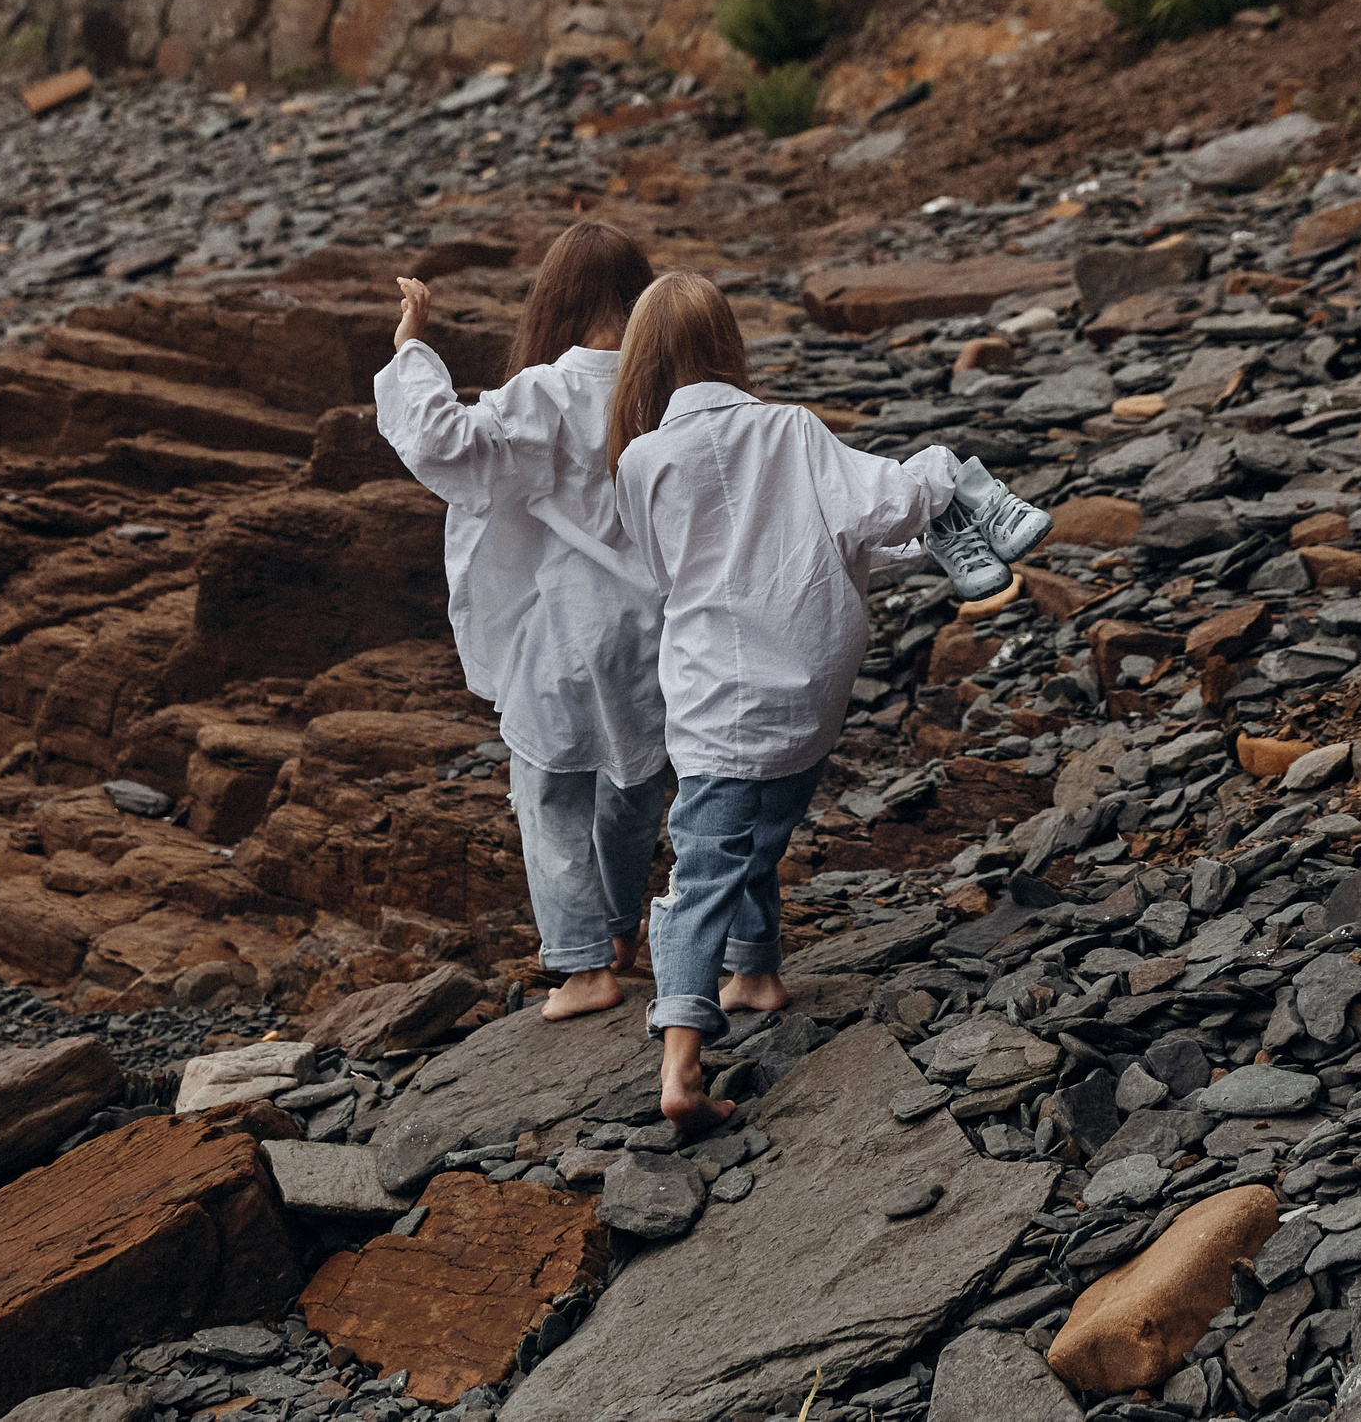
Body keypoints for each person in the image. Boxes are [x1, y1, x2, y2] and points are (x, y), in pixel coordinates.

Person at [610, 270, 1049, 1130]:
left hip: (716, 695)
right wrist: (940, 472)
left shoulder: (641, 459)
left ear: (645, 365)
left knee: (704, 862)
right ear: (728, 345)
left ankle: (680, 1061)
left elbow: (662, 571)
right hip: (809, 686)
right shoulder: (790, 429)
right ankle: (758, 971)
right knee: (758, 833)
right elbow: (876, 506)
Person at [374, 222, 668, 1020]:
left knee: (547, 790)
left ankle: (582, 966)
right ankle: (617, 931)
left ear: (557, 300)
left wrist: (412, 346)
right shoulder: (666, 394)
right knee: (635, 782)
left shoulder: (550, 391)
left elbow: (444, 441)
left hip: (573, 624)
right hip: (662, 624)